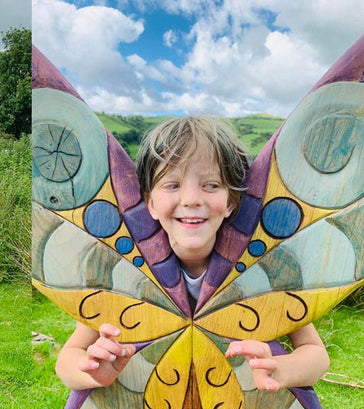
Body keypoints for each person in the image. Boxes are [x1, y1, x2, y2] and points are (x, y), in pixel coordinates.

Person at [54, 116, 329, 391]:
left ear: (231, 202)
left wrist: (280, 369)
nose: (190, 199)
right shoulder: (121, 271)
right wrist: (92, 371)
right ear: (150, 204)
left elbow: (316, 353)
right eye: (172, 185)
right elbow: (67, 360)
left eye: (210, 185)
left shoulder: (266, 269)